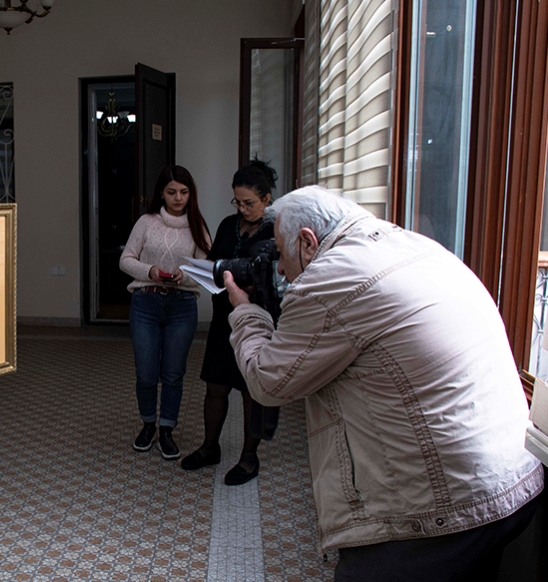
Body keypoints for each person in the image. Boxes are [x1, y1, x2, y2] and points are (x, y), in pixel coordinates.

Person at [224, 185, 544, 581]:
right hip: (510, 479)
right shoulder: (418, 246)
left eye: (281, 254)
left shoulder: (334, 276)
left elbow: (268, 382)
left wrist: (246, 314)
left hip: (437, 509)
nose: (281, 270)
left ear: (308, 242)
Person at [180, 159, 277, 486]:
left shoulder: (278, 230)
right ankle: (210, 447)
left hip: (258, 321)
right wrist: (203, 273)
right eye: (237, 201)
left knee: (252, 391)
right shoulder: (226, 225)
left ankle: (250, 459)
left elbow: (280, 278)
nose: (242, 208)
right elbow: (213, 263)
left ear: (266, 199)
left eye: (249, 203)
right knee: (216, 387)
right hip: (225, 318)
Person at [119, 165, 211, 459]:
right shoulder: (146, 222)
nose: (178, 198)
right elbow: (125, 260)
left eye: (184, 192)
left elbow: (206, 269)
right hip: (145, 302)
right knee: (146, 372)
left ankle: (167, 429)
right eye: (171, 192)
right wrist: (151, 271)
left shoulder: (198, 225)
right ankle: (148, 425)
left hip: (181, 306)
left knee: (173, 373)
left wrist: (182, 277)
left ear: (190, 194)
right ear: (161, 193)